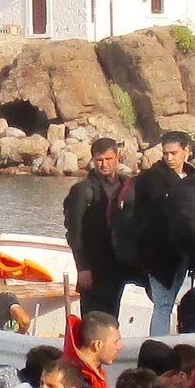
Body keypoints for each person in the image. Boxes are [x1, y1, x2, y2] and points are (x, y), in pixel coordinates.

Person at [131, 131, 195, 337]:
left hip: (186, 251)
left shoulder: (194, 176)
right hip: (159, 251)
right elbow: (148, 215)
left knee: (168, 302)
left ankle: (167, 342)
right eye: (166, 153)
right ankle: (158, 346)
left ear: (186, 151)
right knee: (163, 304)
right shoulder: (151, 178)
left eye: (174, 153)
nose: (169, 158)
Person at [64, 136, 137, 320]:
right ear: (93, 160)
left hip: (118, 264)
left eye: (108, 159)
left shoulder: (127, 185)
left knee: (112, 317)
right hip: (94, 266)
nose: (104, 164)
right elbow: (75, 231)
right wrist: (83, 268)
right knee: (93, 319)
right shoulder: (82, 190)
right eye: (99, 160)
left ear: (117, 157)